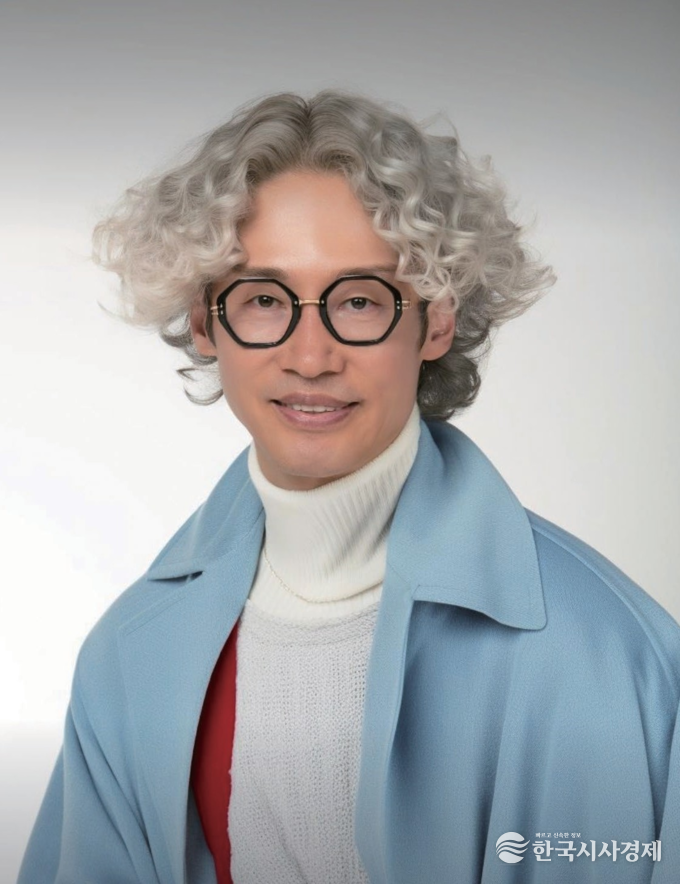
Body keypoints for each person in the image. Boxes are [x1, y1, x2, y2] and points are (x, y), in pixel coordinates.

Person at [17, 89, 680, 884]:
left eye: (360, 300)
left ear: (436, 319)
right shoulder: (130, 655)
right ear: (204, 322)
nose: (310, 356)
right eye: (264, 300)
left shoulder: (605, 659)